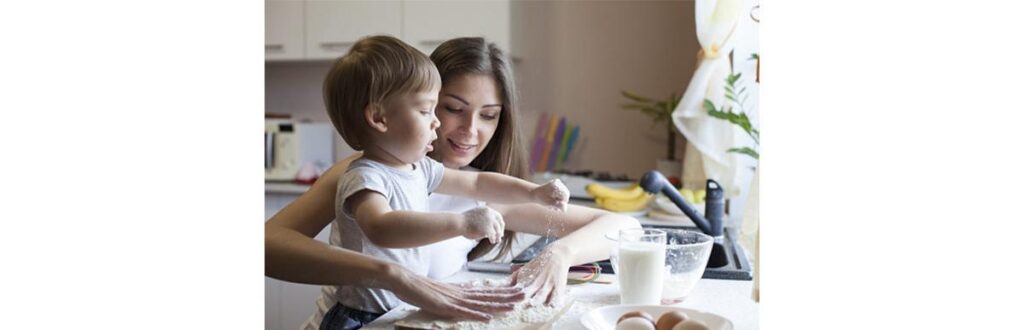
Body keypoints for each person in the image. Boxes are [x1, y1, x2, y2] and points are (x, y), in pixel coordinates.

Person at [265, 37, 641, 330]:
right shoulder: (367, 171)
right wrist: (390, 275)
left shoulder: (474, 188)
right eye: (451, 109)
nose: (470, 131)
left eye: (489, 116)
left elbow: (627, 227)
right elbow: (266, 247)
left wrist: (560, 255)